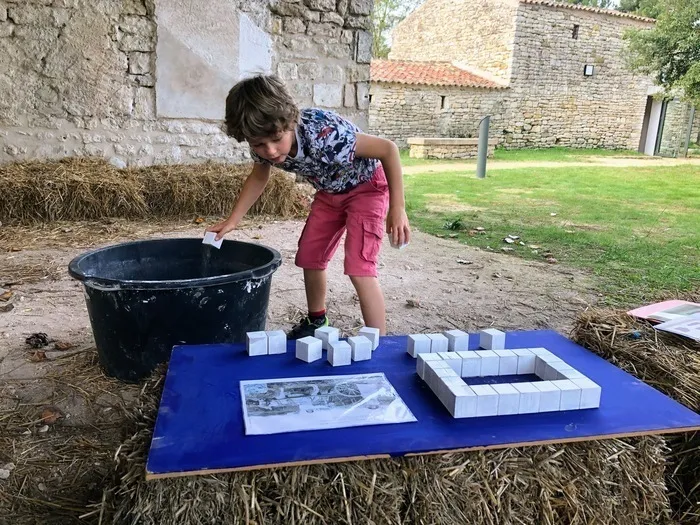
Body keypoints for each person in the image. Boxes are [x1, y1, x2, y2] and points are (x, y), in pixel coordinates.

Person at [206, 74, 410, 339]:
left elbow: (388, 150)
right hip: (329, 193)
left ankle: (380, 343)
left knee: (359, 266)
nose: (268, 150)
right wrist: (234, 219)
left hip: (366, 188)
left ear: (290, 121)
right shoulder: (262, 141)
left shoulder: (324, 133)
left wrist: (398, 207)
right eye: (258, 144)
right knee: (310, 256)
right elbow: (259, 175)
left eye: (275, 139)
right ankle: (317, 321)